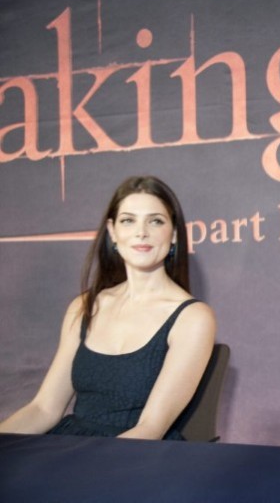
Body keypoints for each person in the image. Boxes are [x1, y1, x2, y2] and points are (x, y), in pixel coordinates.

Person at [0, 175, 216, 440]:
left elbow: (151, 428)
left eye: (155, 221)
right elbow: (43, 409)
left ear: (173, 235)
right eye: (128, 220)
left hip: (136, 454)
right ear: (112, 232)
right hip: (68, 445)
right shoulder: (84, 306)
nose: (141, 232)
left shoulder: (193, 318)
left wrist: (85, 462)